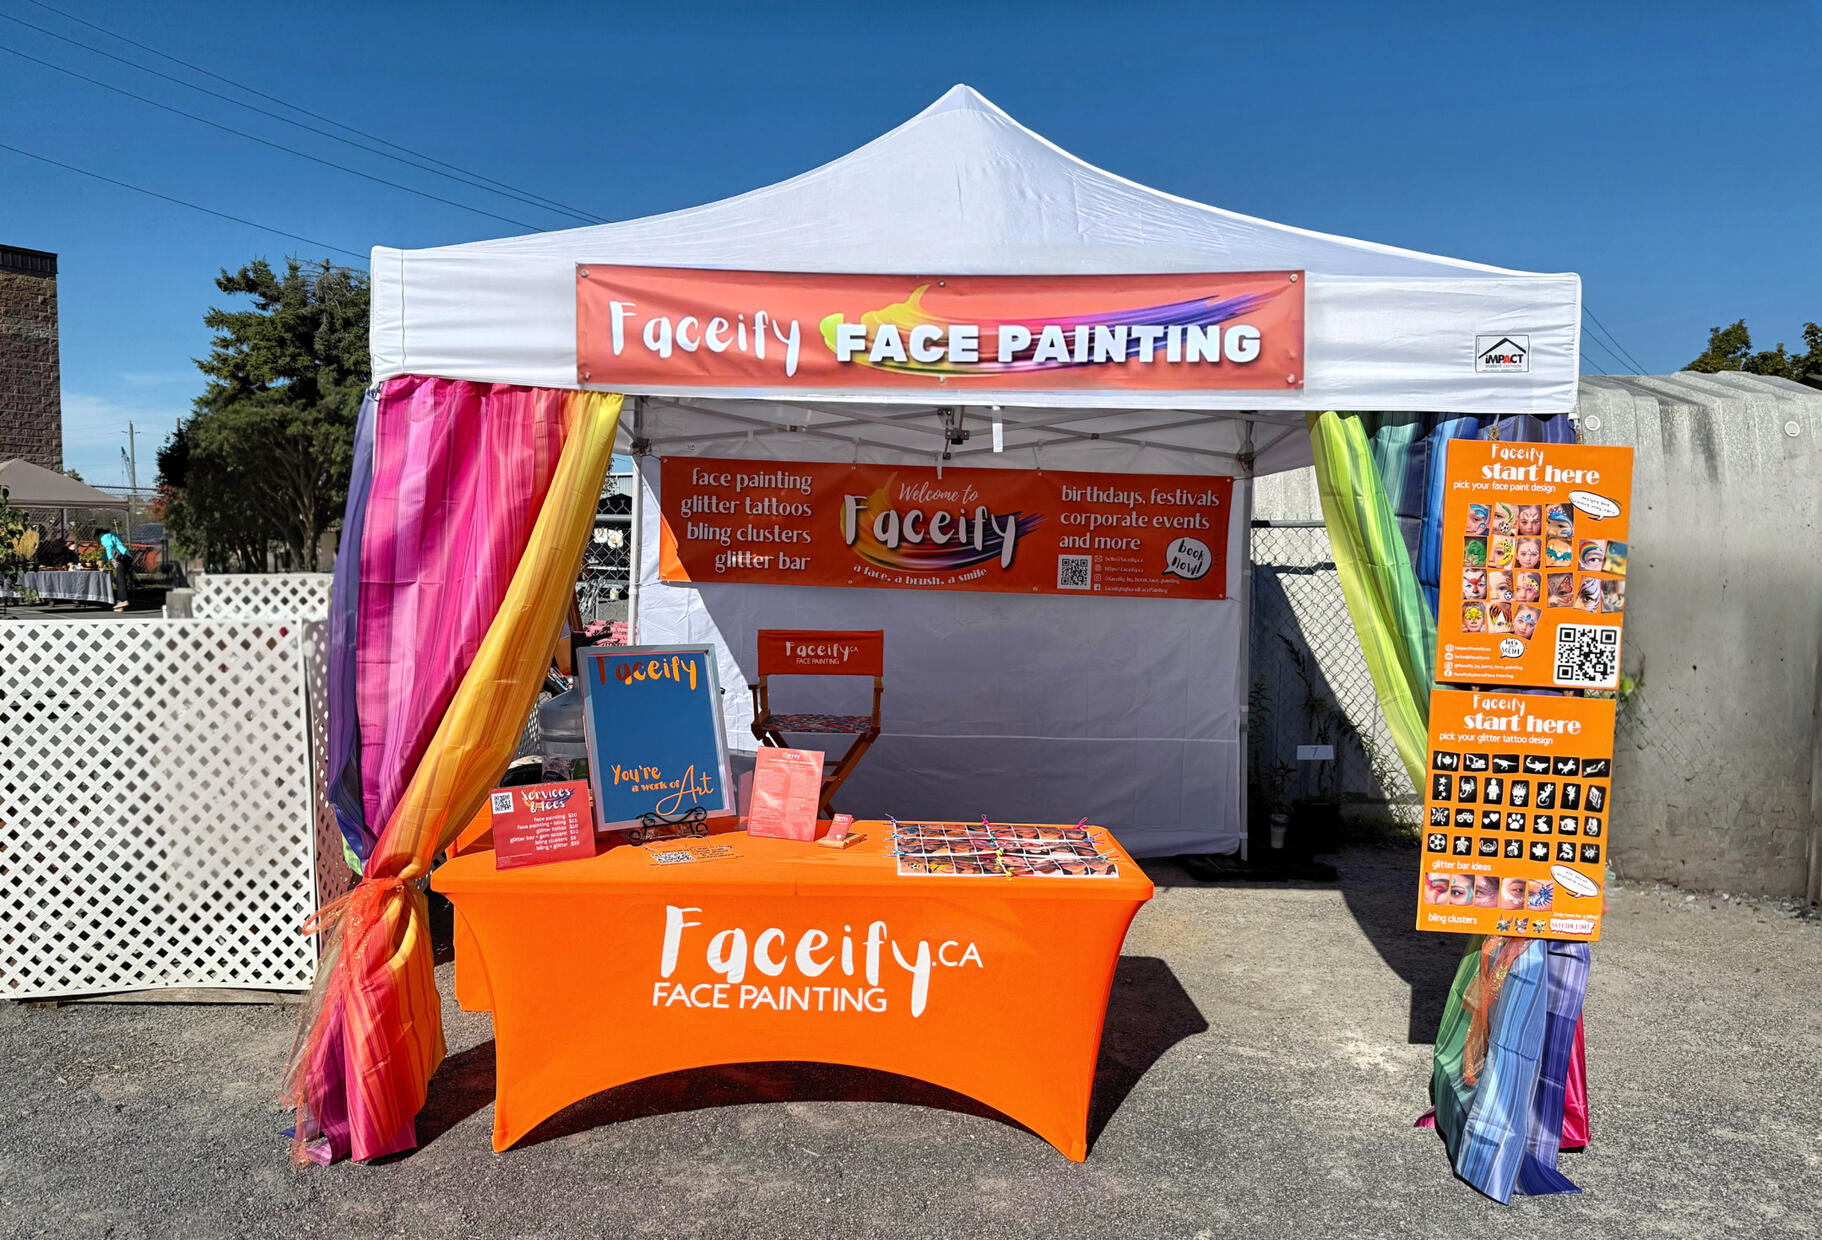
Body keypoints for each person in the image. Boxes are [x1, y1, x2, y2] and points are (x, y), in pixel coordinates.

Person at [97, 527, 131, 611]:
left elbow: (109, 547)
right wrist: (102, 559)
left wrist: (111, 558)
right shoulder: (112, 535)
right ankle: (120, 604)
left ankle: (123, 600)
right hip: (127, 557)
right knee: (119, 579)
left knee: (120, 579)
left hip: (120, 557)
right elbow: (109, 550)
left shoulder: (103, 536)